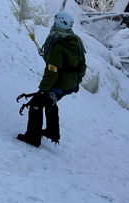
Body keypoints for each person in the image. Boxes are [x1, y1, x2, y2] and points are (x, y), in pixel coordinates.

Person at [17, 9, 86, 147]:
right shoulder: (76, 40)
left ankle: (32, 137)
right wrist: (76, 82)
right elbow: (81, 65)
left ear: (59, 24)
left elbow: (52, 71)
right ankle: (52, 132)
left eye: (55, 22)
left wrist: (43, 89)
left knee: (36, 104)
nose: (53, 24)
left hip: (58, 84)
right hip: (69, 84)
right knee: (50, 102)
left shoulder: (57, 44)